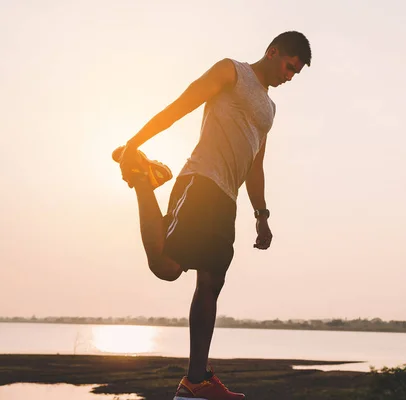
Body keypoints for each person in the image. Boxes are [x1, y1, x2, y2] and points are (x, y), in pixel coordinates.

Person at [112, 31, 312, 400]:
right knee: (167, 267)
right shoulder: (231, 71)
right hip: (201, 180)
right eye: (288, 66)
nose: (289, 76)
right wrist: (134, 144)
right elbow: (181, 105)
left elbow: (256, 164)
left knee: (211, 285)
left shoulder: (269, 109)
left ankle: (197, 380)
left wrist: (261, 214)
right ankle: (144, 180)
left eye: (295, 73)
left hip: (226, 199)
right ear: (272, 53)